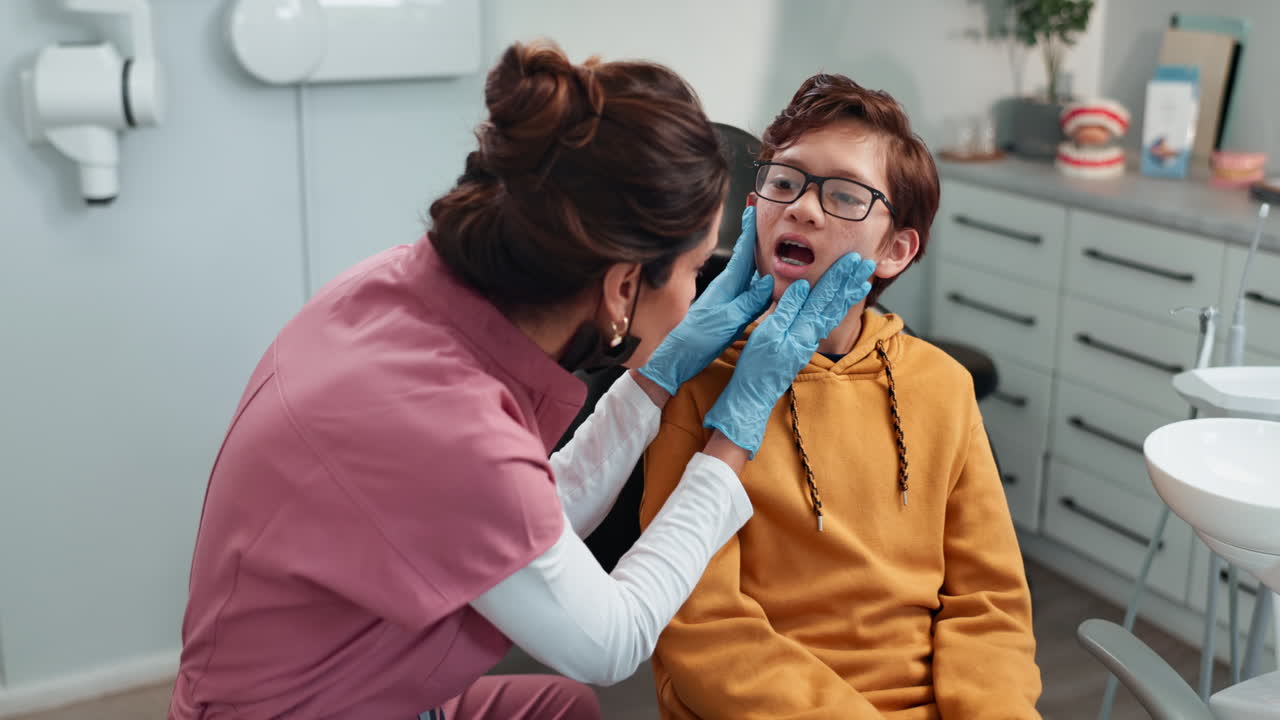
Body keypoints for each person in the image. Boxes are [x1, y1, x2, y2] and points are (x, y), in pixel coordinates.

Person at [168, 41, 876, 720]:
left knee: (559, 707)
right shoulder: (439, 422)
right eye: (695, 272)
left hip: (343, 670)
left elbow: (521, 517)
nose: (699, 300)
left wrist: (654, 379)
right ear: (622, 287)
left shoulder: (398, 287)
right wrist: (731, 439)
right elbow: (612, 639)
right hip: (299, 707)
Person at [640, 73, 1042, 719]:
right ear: (753, 213)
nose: (802, 207)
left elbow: (988, 602)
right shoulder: (698, 389)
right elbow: (703, 629)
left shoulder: (942, 387)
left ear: (895, 249)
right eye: (784, 182)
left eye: (845, 194)